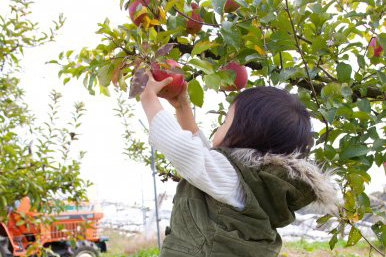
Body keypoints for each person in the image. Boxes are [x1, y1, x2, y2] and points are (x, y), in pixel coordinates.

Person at [140, 71, 339, 257]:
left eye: (226, 121)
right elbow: (203, 155)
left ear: (244, 133)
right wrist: (182, 107)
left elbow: (185, 150)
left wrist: (149, 99)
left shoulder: (232, 176)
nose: (220, 125)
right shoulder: (252, 180)